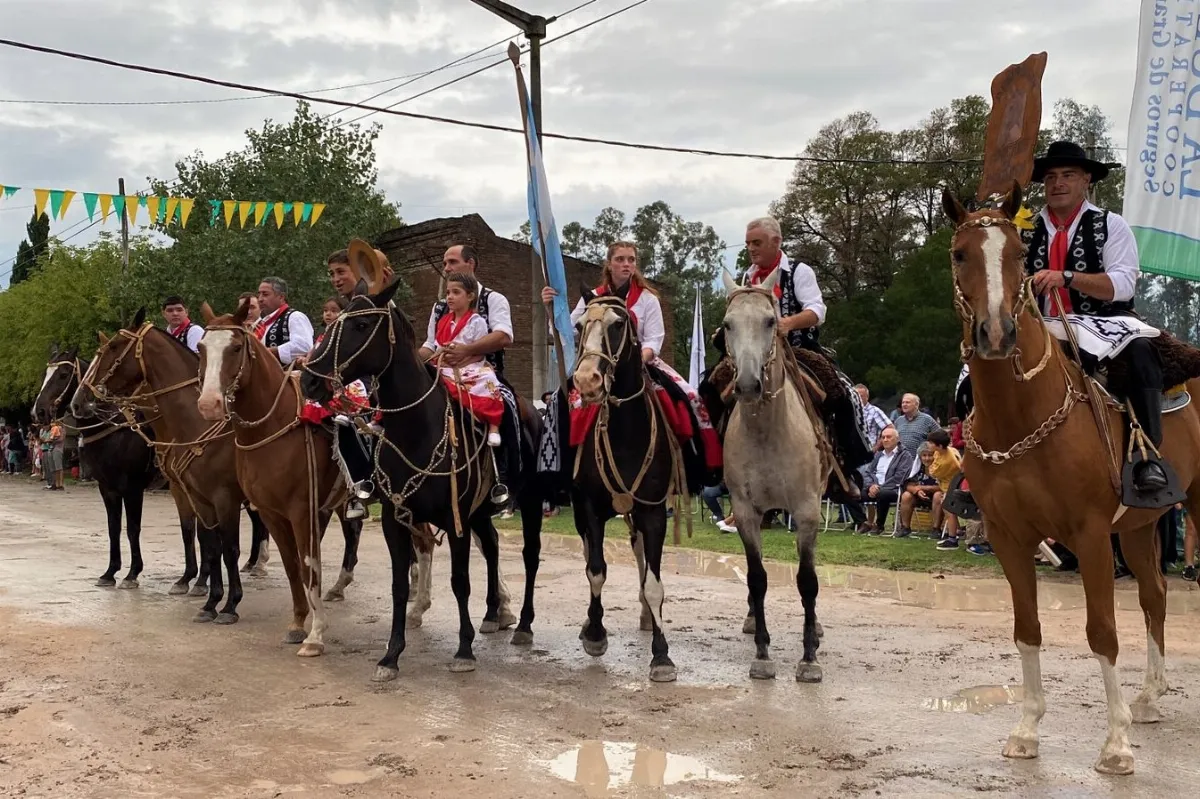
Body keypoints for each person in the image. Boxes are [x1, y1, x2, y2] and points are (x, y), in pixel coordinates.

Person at [1025, 140, 1170, 499]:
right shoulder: (1023, 228)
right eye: (1051, 177)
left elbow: (1122, 285)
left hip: (1105, 322)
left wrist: (1067, 277)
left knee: (1140, 353)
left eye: (1068, 175)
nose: (1058, 183)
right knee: (981, 363)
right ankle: (979, 469)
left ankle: (1147, 456)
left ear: (1086, 180)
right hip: (1042, 324)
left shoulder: (1111, 225)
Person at [541, 240, 722, 484]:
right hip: (598, 366)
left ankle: (696, 466)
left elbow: (654, 341)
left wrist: (637, 361)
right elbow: (564, 332)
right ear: (609, 264)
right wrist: (552, 309)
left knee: (689, 396)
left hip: (643, 364)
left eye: (631, 260)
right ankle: (559, 475)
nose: (626, 264)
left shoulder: (648, 299)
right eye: (620, 259)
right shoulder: (593, 297)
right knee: (559, 403)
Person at [430, 272, 505, 446]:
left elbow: (479, 352)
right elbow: (437, 346)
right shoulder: (442, 322)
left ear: (470, 296)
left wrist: (462, 361)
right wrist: (442, 355)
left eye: (456, 293)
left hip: (471, 366)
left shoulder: (476, 321)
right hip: (445, 365)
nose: (450, 297)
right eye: (448, 293)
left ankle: (494, 427)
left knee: (488, 379)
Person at [846, 427, 913, 534]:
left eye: (888, 437)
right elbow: (868, 472)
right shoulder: (878, 455)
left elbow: (900, 476)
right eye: (883, 437)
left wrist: (879, 488)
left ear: (897, 439)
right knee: (850, 494)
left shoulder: (905, 456)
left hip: (894, 489)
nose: (885, 440)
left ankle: (879, 525)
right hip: (873, 488)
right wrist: (871, 486)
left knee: (882, 493)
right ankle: (863, 522)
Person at [254, 276, 313, 367]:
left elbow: (304, 346)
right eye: (259, 294)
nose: (260, 299)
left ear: (281, 297)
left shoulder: (295, 317)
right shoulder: (261, 324)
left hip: (286, 378)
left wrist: (267, 352)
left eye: (265, 294)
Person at [927, 428, 964, 549]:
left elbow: (932, 472)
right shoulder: (945, 450)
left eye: (931, 443)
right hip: (946, 486)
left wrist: (929, 465)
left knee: (949, 512)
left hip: (952, 487)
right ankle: (956, 532)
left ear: (940, 445)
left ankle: (952, 539)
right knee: (948, 510)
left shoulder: (947, 462)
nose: (929, 444)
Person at [896, 443, 939, 539]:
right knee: (906, 495)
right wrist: (916, 490)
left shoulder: (940, 467)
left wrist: (923, 488)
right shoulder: (918, 467)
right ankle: (905, 528)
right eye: (924, 455)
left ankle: (936, 529)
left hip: (936, 498)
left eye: (930, 455)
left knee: (938, 495)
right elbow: (907, 484)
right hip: (919, 496)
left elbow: (944, 486)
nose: (927, 458)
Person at [855, 383, 892, 451]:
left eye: (861, 396)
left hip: (869, 453)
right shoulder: (853, 412)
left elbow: (890, 428)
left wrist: (876, 447)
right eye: (855, 396)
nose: (858, 399)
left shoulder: (874, 411)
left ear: (867, 397)